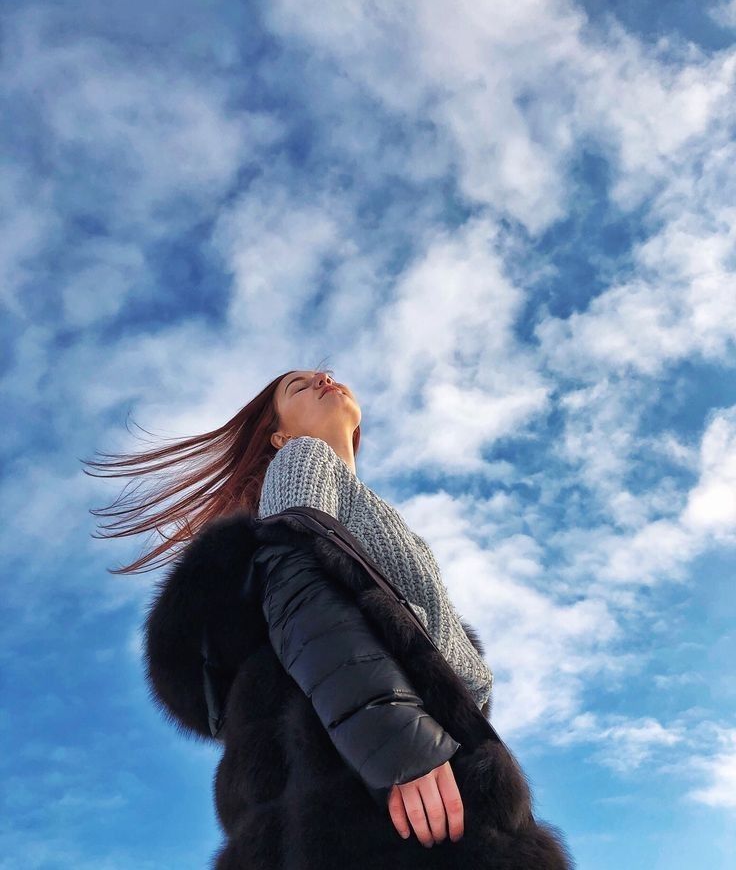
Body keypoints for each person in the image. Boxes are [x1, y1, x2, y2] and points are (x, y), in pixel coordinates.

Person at [84, 365, 572, 868]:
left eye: (325, 374)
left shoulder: (368, 507)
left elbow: (443, 658)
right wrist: (399, 742)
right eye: (298, 386)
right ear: (279, 434)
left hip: (411, 782)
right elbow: (298, 584)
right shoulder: (302, 459)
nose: (322, 379)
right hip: (371, 790)